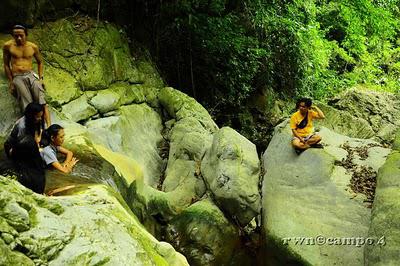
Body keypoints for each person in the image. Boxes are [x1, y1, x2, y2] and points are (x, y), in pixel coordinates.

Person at [3, 24, 51, 127]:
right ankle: (33, 129)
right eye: (16, 36)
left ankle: (49, 126)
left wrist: (41, 78)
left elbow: (40, 62)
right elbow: (6, 65)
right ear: (13, 36)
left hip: (30, 74)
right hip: (18, 77)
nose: (19, 38)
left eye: (21, 35)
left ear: (26, 34)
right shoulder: (8, 46)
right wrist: (11, 82)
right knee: (28, 105)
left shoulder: (32, 47)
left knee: (41, 100)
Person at [3, 103, 45, 194]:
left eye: (41, 116)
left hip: (26, 145)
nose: (40, 119)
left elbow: (35, 137)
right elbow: (21, 145)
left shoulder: (35, 121)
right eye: (38, 117)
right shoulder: (22, 126)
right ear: (31, 116)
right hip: (14, 147)